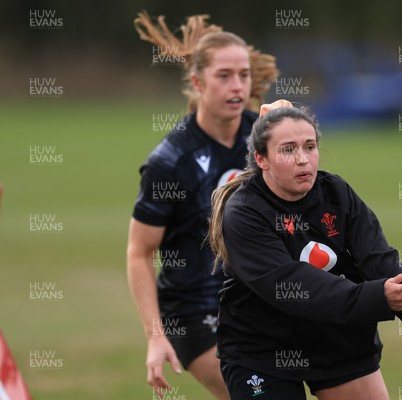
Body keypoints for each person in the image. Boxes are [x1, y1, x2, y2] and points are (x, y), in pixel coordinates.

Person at [208, 101, 402, 400]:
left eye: (310, 147)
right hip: (262, 352)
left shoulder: (337, 193)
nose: (303, 159)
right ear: (262, 158)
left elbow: (382, 263)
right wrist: (377, 297)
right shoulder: (245, 211)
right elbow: (290, 283)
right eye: (287, 149)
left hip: (338, 342)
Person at [126, 12, 277, 399]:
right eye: (224, 75)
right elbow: (140, 253)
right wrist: (155, 337)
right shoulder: (170, 162)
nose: (238, 85)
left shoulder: (266, 138)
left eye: (243, 74)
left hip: (259, 300)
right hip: (194, 315)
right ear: (197, 82)